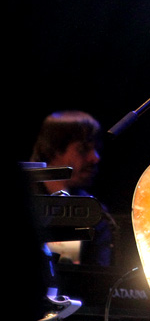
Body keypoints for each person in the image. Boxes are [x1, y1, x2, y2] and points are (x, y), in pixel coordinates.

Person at [30, 110, 116, 266]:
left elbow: (98, 281)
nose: (95, 158)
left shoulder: (94, 213)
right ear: (52, 149)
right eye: (83, 149)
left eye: (96, 148)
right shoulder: (25, 199)